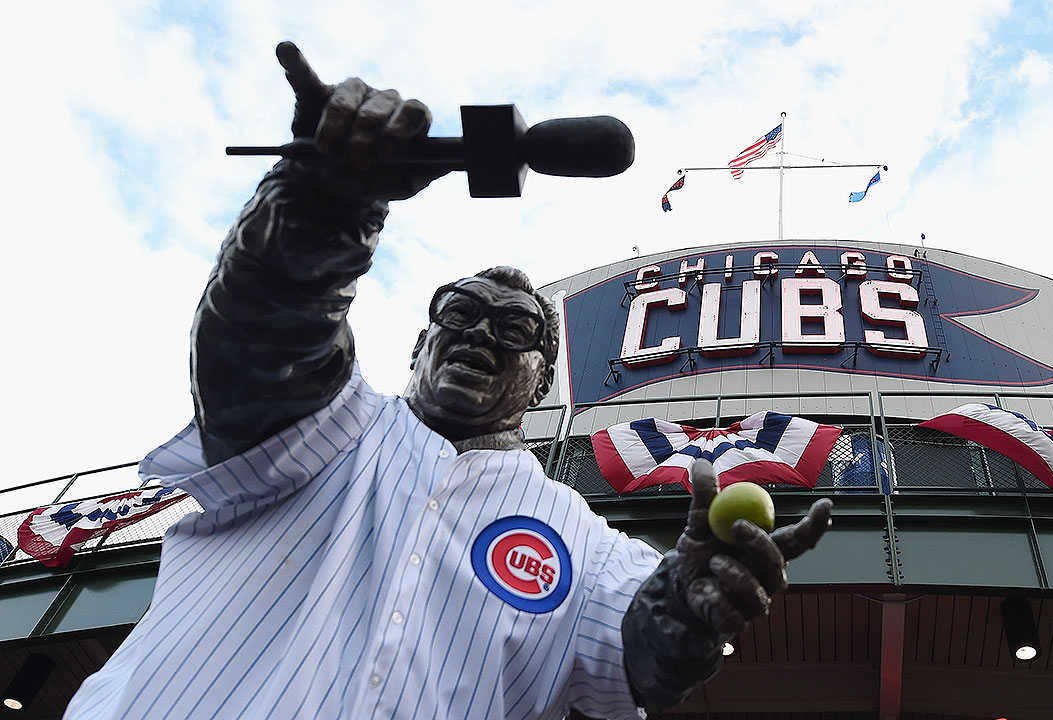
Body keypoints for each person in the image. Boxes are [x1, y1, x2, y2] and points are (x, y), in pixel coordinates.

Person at [65, 42, 832, 720]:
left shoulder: (588, 548)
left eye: (515, 330)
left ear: (541, 384)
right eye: (459, 314)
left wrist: (687, 612)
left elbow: (640, 657)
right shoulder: (328, 431)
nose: (478, 335)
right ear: (420, 343)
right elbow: (265, 339)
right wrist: (325, 206)